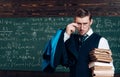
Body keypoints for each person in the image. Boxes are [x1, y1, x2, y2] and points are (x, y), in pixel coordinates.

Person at [42, 8, 114, 77]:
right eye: (79, 24)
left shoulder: (101, 40)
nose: (82, 28)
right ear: (74, 22)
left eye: (85, 23)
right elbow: (62, 60)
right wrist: (66, 35)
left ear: (91, 22)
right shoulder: (70, 39)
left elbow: (109, 68)